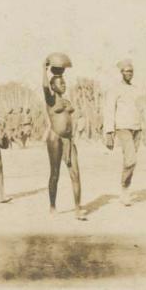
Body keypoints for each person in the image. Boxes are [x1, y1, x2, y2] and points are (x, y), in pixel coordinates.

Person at [42, 58, 86, 220]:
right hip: (55, 138)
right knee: (55, 173)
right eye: (60, 83)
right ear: (53, 86)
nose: (63, 85)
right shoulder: (51, 100)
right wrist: (44, 69)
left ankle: (77, 208)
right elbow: (45, 86)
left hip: (69, 140)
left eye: (64, 83)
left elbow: (74, 114)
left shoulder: (67, 101)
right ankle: (52, 206)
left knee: (75, 173)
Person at [103, 59, 143, 206]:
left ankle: (125, 188)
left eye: (131, 71)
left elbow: (141, 108)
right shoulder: (114, 89)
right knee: (131, 159)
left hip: (137, 128)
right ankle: (124, 188)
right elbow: (109, 110)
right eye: (126, 71)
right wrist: (109, 132)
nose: (129, 73)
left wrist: (144, 128)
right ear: (121, 73)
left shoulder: (136, 89)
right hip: (123, 128)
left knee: (130, 161)